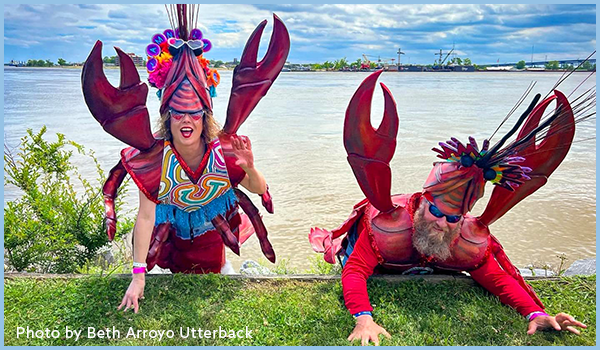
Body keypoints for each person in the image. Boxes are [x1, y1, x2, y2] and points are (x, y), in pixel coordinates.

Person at [309, 71, 588, 345]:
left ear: (463, 217)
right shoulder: (388, 226)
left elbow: (497, 279)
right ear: (423, 202)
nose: (442, 223)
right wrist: (363, 318)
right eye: (436, 212)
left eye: (453, 217)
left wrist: (535, 312)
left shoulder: (465, 239)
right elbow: (356, 271)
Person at [81, 5, 290, 313]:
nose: (186, 120)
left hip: (214, 244)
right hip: (171, 246)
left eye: (194, 113)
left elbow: (260, 190)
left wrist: (248, 167)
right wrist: (138, 276)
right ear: (167, 117)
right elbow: (145, 217)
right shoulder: (155, 159)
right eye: (177, 113)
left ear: (205, 117)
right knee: (168, 267)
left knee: (218, 275)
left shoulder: (225, 150)